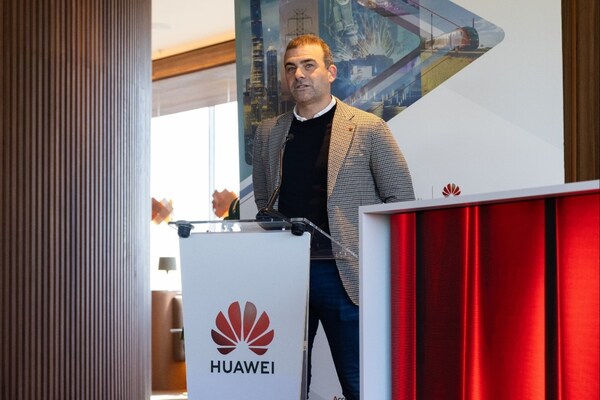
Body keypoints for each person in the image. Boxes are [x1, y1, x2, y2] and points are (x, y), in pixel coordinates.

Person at [252, 34, 414, 400]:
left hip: (346, 275)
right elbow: (264, 199)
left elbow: (400, 200)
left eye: (309, 65)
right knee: (287, 384)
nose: (299, 75)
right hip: (287, 273)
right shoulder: (268, 133)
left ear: (331, 72)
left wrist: (378, 264)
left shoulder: (368, 127)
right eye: (291, 68)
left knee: (360, 384)